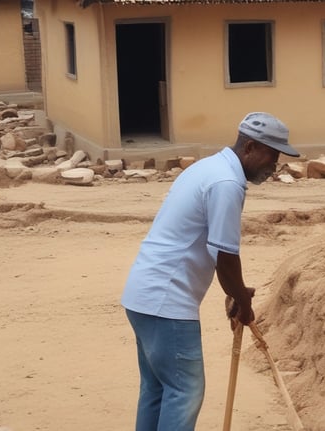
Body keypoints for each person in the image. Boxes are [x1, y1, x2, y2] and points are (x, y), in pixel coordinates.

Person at [121, 112, 300, 431]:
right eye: (271, 155)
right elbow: (225, 254)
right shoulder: (227, 182)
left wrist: (236, 293)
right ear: (249, 148)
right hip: (167, 301)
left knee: (156, 389)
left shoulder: (208, 167)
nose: (274, 165)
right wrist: (242, 302)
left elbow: (217, 252)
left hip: (142, 295)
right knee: (184, 391)